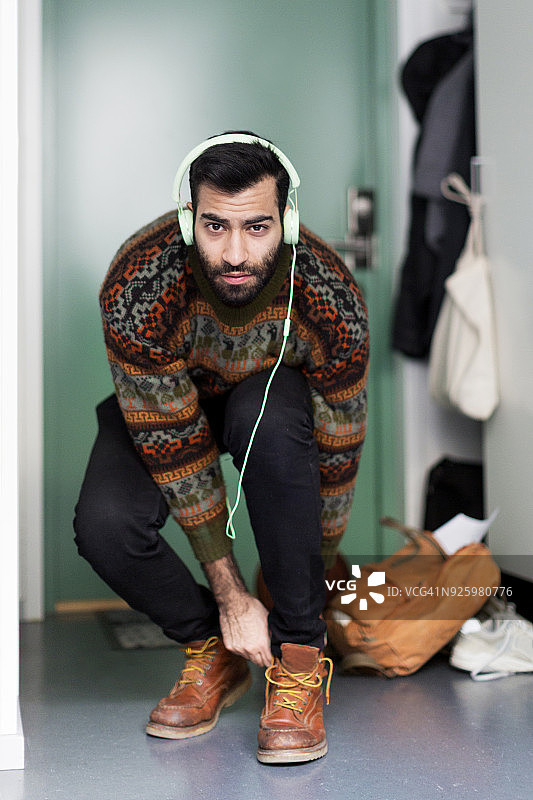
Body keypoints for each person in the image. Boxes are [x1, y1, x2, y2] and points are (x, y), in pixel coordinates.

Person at [74, 132, 369, 764]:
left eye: (257, 227)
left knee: (271, 411)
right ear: (189, 219)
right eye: (215, 226)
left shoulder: (331, 298)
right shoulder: (138, 282)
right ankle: (214, 647)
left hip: (270, 408)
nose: (235, 253)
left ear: (287, 222)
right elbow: (173, 443)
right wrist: (233, 597)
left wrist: (309, 574)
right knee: (105, 526)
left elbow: (339, 448)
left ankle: (298, 659)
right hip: (163, 407)